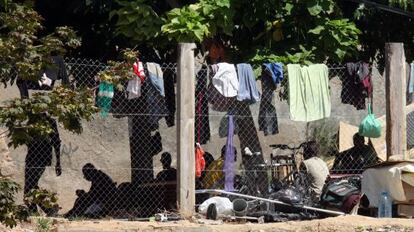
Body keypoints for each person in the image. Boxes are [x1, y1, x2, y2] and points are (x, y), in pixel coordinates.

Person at [24, 115, 61, 214]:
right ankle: (36, 210)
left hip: (42, 157)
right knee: (30, 185)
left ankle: (47, 209)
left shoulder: (50, 121)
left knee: (30, 186)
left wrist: (58, 162)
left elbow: (56, 142)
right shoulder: (32, 119)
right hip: (31, 156)